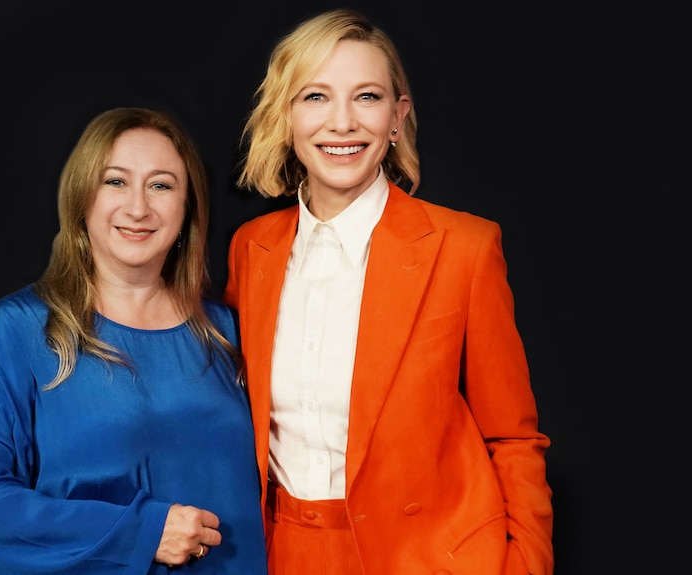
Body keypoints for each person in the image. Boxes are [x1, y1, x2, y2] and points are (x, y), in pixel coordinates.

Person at [222, 8, 554, 575]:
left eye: (367, 97)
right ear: (286, 116)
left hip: (424, 558)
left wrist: (525, 566)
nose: (342, 123)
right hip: (276, 553)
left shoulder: (465, 248)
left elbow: (512, 438)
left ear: (397, 117)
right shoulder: (251, 248)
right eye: (316, 97)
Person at [0, 107, 268, 574]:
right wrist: (142, 532)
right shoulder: (20, 329)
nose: (137, 208)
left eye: (161, 185)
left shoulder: (228, 330)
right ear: (81, 197)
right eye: (115, 182)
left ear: (188, 206)